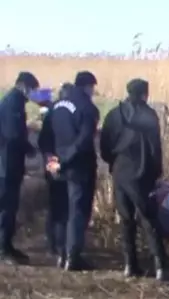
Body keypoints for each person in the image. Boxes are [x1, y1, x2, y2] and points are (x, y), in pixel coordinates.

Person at [99, 78, 169, 281]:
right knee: (149, 219)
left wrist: (114, 162)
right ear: (144, 94)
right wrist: (156, 172)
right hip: (142, 173)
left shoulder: (113, 115)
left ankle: (130, 265)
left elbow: (104, 146)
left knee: (126, 219)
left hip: (120, 171)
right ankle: (160, 266)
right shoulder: (149, 116)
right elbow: (156, 149)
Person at [46, 71, 100, 271]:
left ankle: (60, 253)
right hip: (79, 168)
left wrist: (51, 158)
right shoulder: (88, 108)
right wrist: (66, 160)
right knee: (78, 212)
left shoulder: (56, 107)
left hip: (56, 166)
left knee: (60, 210)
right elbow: (84, 141)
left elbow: (46, 136)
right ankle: (72, 257)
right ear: (88, 87)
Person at [0, 72, 40, 264]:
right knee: (6, 207)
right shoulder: (13, 104)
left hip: (9, 164)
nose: (33, 94)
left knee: (9, 206)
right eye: (32, 89)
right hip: (6, 165)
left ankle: (7, 244)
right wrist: (29, 148)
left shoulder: (13, 101)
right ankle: (3, 249)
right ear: (24, 86)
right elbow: (13, 134)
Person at [38, 83, 74, 267]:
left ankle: (53, 244)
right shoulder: (72, 113)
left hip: (51, 165)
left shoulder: (51, 113)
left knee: (54, 207)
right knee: (64, 208)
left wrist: (49, 158)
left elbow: (42, 140)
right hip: (65, 167)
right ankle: (62, 246)